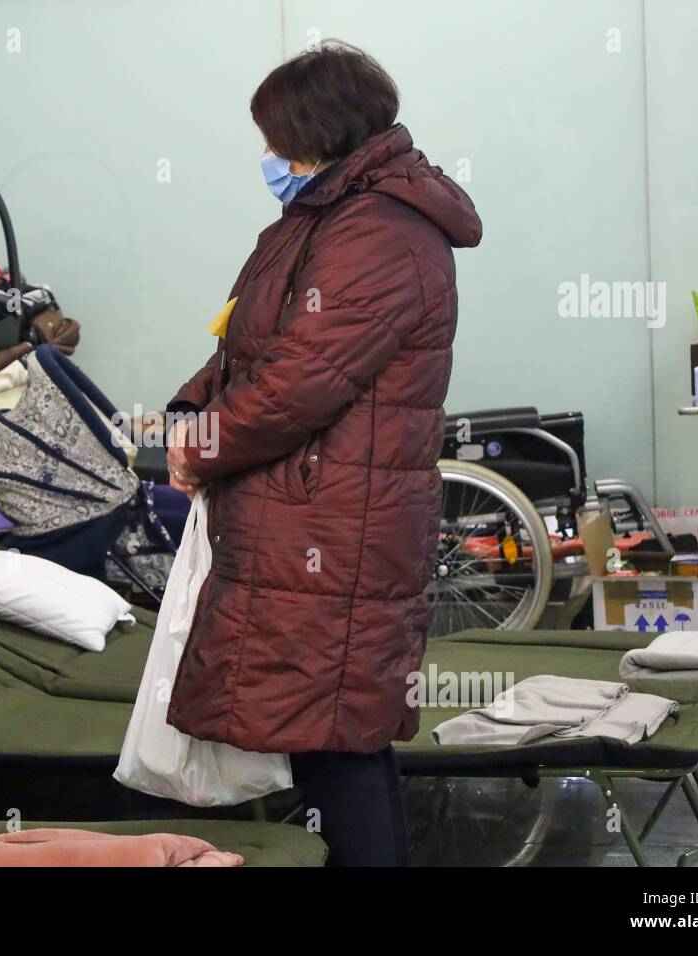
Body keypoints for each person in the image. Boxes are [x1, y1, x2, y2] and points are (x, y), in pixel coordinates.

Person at [164, 42, 482, 865]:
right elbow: (245, 343)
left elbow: (303, 381)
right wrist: (187, 414)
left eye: (275, 140)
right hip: (309, 516)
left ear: (319, 136)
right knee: (333, 737)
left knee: (338, 741)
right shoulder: (321, 218)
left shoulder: (379, 234)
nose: (266, 158)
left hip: (334, 529)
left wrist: (202, 447)